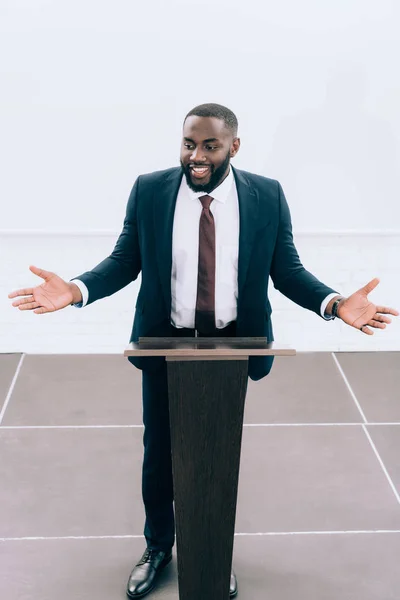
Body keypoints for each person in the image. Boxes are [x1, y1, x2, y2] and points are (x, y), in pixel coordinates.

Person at [8, 103, 398, 599]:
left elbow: (288, 270)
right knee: (160, 452)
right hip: (164, 342)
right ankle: (158, 547)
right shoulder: (151, 190)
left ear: (233, 146)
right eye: (189, 143)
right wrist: (77, 290)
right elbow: (125, 260)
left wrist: (335, 302)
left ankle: (211, 552)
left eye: (209, 145)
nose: (196, 155)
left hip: (232, 346)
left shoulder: (266, 196)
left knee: (216, 456)